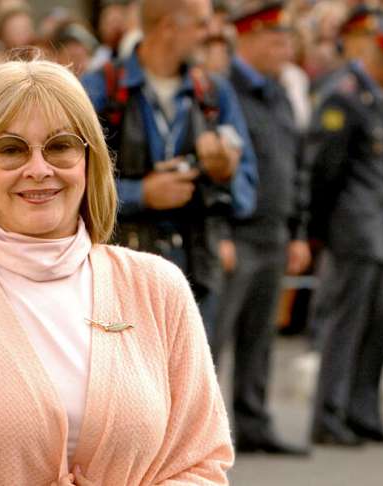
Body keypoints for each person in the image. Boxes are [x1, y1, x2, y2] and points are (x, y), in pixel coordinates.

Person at [0, 58, 234, 485]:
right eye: (11, 149)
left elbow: (202, 464)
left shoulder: (159, 287)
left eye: (60, 145)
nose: (39, 169)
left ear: (88, 161)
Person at [82, 0, 258, 336]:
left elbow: (247, 191)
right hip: (123, 275)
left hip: (197, 273)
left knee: (194, 370)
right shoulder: (101, 89)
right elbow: (74, 186)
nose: (212, 34)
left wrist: (224, 173)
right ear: (168, 27)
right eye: (202, 24)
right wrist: (141, 193)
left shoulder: (214, 93)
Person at [212, 0, 311, 456]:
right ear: (249, 38)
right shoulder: (224, 91)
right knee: (215, 336)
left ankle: (253, 422)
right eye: (277, 40)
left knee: (260, 335)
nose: (286, 49)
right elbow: (218, 170)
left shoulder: (278, 93)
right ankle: (204, 431)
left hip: (274, 231)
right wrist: (221, 231)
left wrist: (297, 230)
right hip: (238, 232)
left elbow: (296, 167)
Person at [306, 15, 383, 447]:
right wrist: (318, 230)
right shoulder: (343, 95)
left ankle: (361, 410)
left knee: (377, 324)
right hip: (352, 229)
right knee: (344, 326)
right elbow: (324, 170)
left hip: (376, 229)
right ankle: (328, 416)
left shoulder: (372, 97)